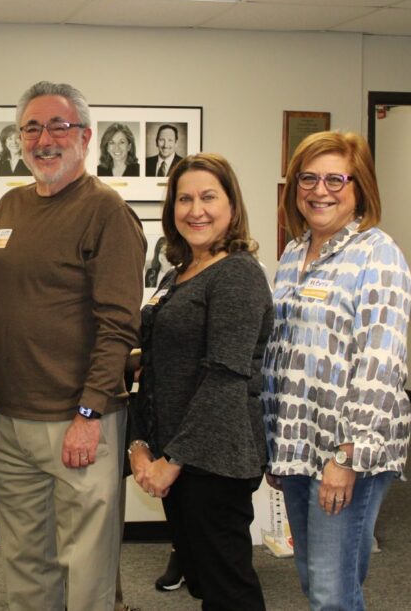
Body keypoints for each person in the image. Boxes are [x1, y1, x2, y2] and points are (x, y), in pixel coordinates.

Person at [0, 81, 145, 611]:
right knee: (26, 564)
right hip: (14, 420)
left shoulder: (107, 212)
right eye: (32, 128)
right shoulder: (10, 206)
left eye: (59, 126)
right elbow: (3, 306)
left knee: (86, 573)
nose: (44, 139)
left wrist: (89, 412)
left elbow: (118, 324)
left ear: (85, 136)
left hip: (79, 421)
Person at [263, 131, 411, 611]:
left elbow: (380, 363)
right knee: (315, 581)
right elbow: (281, 353)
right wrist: (276, 446)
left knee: (332, 592)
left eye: (335, 180)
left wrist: (347, 457)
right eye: (308, 178)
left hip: (349, 450)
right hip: (298, 444)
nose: (319, 190)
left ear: (359, 187)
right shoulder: (293, 254)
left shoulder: (378, 254)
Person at [127, 153, 271, 610]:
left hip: (216, 460)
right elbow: (154, 366)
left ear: (232, 206)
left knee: (229, 590)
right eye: (184, 199)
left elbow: (224, 377)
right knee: (204, 582)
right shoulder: (179, 273)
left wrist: (173, 460)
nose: (196, 210)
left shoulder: (237, 274)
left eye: (208, 197)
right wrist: (140, 444)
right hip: (180, 457)